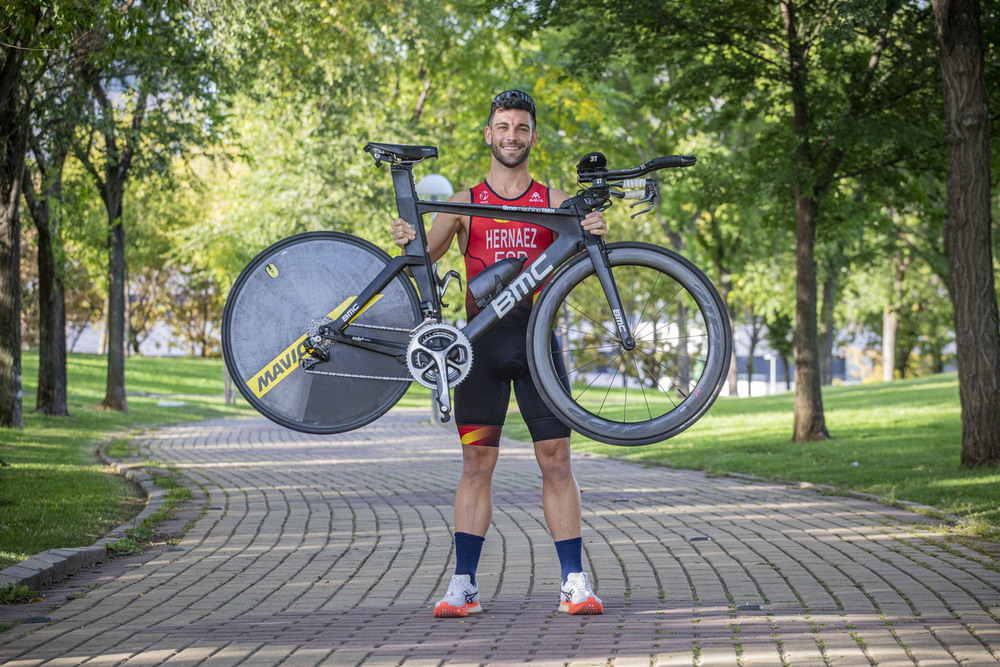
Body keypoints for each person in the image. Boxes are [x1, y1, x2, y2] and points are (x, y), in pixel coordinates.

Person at [391, 89, 608, 617]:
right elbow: (425, 256)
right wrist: (405, 237)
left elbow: (589, 252)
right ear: (489, 134)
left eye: (522, 128)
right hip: (479, 350)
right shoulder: (464, 203)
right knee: (476, 463)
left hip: (539, 344)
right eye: (503, 127)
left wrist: (597, 229)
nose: (512, 136)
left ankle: (574, 583)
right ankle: (463, 585)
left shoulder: (556, 203)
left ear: (533, 137)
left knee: (556, 461)